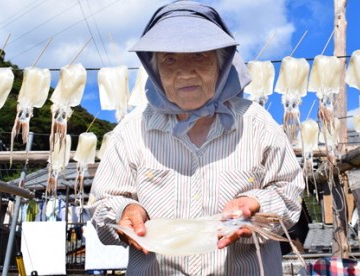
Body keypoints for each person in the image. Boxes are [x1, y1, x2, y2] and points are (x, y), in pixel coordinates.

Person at [86, 1, 305, 275]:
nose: (185, 72)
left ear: (221, 63)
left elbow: (289, 195)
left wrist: (255, 204)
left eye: (199, 56)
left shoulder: (257, 124)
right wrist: (125, 211)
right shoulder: (131, 131)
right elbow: (102, 203)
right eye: (169, 59)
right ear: (154, 69)